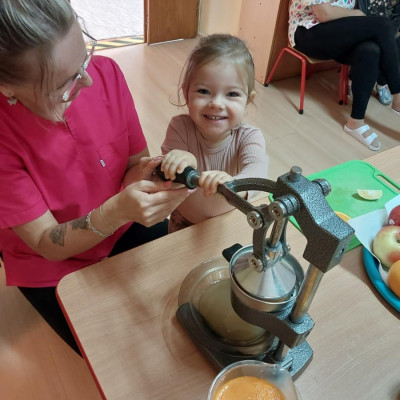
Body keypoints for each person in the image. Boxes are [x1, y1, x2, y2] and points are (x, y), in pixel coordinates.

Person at [0, 0, 190, 354]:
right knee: (115, 352)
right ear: (7, 88)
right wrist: (113, 212)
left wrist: (150, 176)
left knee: (184, 307)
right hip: (51, 263)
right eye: (64, 84)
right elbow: (44, 241)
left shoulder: (106, 74)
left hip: (122, 223)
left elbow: (135, 164)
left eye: (85, 57)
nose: (88, 80)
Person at [159, 34, 269, 233]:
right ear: (186, 93)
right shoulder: (179, 127)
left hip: (227, 224)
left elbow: (258, 171)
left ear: (247, 100)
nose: (216, 103)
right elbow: (166, 176)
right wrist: (181, 161)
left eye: (232, 94)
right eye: (203, 91)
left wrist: (234, 186)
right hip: (183, 221)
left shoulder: (249, 137)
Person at [288, 0, 400, 151]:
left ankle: (355, 122)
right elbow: (324, 14)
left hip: (339, 30)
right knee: (383, 25)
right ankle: (398, 96)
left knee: (370, 50)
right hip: (309, 31)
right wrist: (356, 14)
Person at [357, 0, 400, 105]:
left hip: (388, 34)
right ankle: (355, 79)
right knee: (370, 48)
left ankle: (382, 83)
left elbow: (395, 26)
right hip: (365, 29)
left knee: (394, 45)